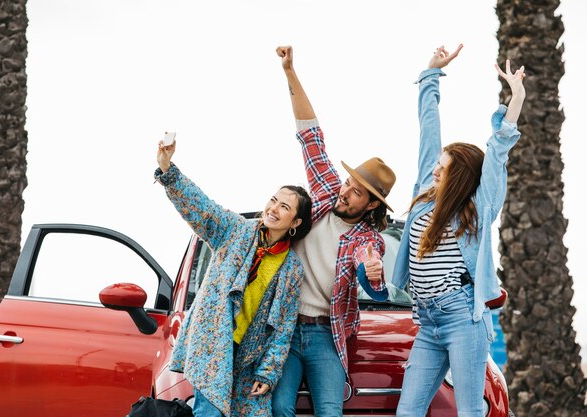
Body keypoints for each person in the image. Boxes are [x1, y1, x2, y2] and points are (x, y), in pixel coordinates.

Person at [388, 45, 526, 416]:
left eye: (444, 167)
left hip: (462, 316)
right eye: (437, 164)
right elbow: (428, 129)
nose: (435, 169)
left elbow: (497, 153)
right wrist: (430, 75)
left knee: (470, 411)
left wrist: (516, 99)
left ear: (460, 175)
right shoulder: (423, 195)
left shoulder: (478, 208)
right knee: (408, 412)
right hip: (427, 319)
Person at [272, 45, 397, 417]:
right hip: (284, 329)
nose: (346, 191)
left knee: (330, 411)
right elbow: (311, 137)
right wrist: (290, 72)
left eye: (357, 192)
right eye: (348, 183)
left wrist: (373, 275)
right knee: (278, 406)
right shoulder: (326, 194)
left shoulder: (367, 240)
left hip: (327, 334)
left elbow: (370, 271)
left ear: (371, 205)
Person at [155, 136, 313, 417]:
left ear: (296, 223)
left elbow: (284, 326)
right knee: (211, 413)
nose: (273, 209)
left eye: (284, 207)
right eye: (273, 201)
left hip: (248, 359)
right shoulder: (236, 230)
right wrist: (168, 171)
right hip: (213, 343)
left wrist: (268, 372)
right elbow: (202, 208)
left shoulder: (291, 268)